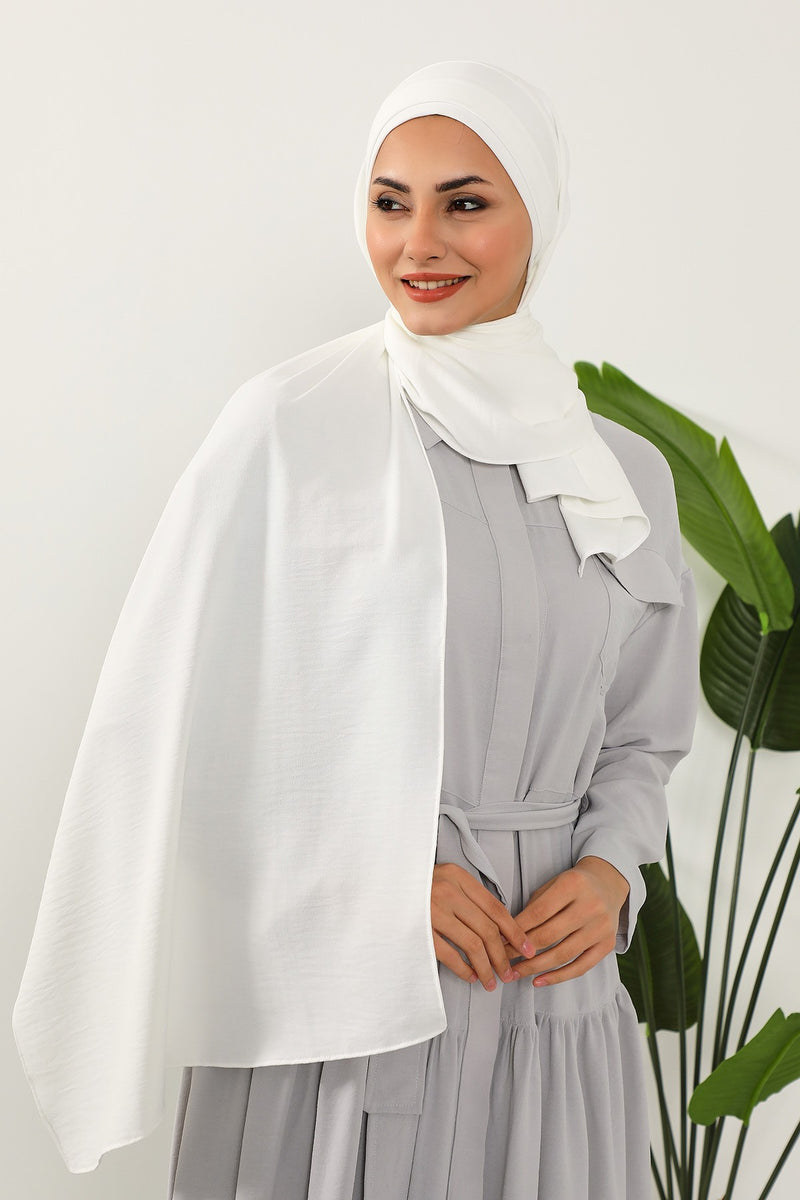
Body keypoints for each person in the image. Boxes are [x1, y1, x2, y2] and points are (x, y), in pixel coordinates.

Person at [13, 62, 699, 1199]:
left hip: (551, 1000)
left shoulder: (619, 474)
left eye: (464, 202)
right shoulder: (291, 429)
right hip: (344, 1003)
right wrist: (379, 882)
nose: (419, 242)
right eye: (390, 203)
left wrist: (609, 872)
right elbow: (179, 738)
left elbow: (641, 733)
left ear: (538, 213)